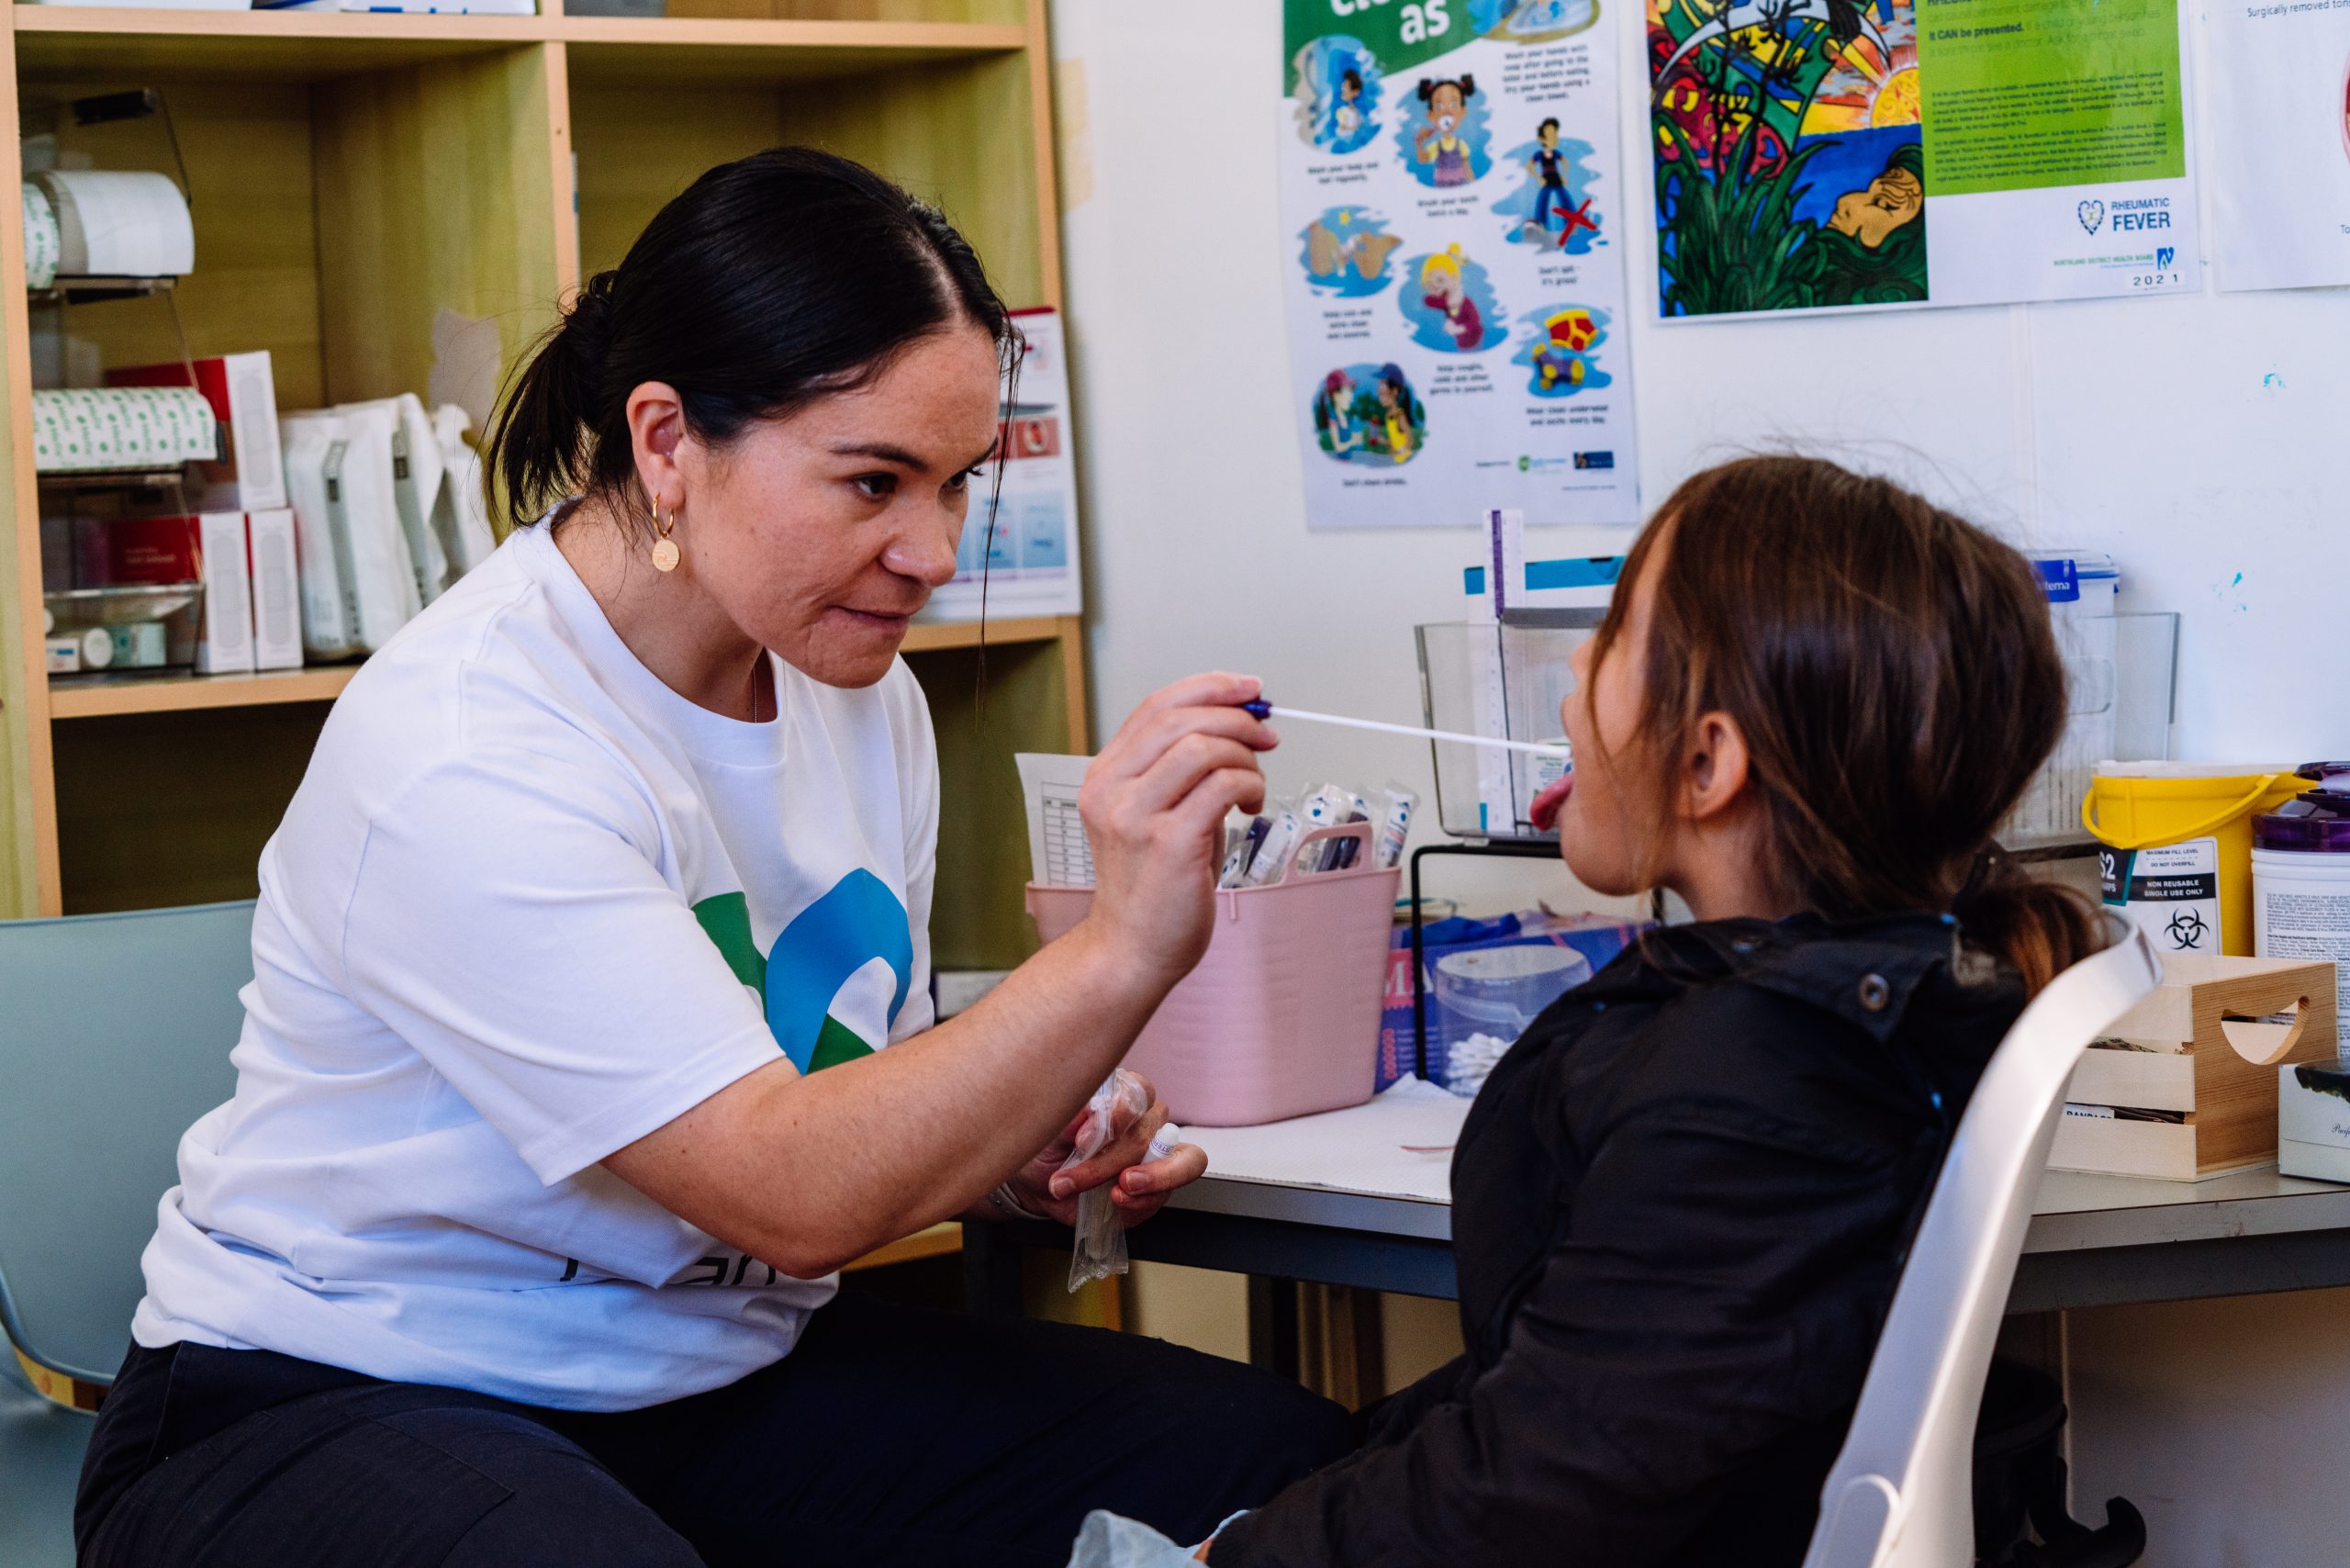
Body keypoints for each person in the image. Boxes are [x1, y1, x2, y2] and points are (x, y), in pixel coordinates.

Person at [73, 148, 1349, 1568]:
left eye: (955, 485)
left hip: (707, 1379)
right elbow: (792, 1192)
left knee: (1298, 1474)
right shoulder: (470, 741)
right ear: (668, 441)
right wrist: (1120, 947)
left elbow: (851, 1100)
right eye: (874, 481)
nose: (931, 551)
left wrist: (1023, 1150)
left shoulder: (856, 693)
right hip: (333, 1400)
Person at [1187, 456, 2107, 1565]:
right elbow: (1559, 1382)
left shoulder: (1766, 1083)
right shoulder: (1846, 1013)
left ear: (1707, 760)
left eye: (1616, 632)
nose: (1574, 666)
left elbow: (1535, 1485)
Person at [1414, 76, 1479, 185]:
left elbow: (1466, 166)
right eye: (1438, 106)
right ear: (1431, 115)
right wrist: (1419, 143)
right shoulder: (1436, 146)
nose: (1447, 112)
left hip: (1460, 184)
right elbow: (1423, 160)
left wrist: (1474, 185)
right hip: (1441, 185)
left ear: (1463, 111)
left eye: (1454, 105)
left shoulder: (1461, 144)